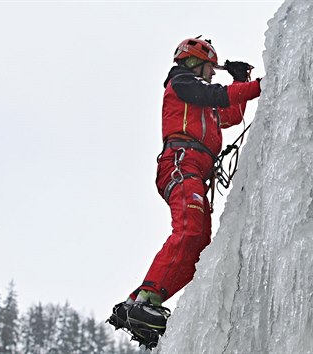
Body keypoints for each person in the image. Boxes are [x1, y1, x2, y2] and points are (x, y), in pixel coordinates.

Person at [107, 37, 261, 348]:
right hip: (181, 162)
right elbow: (215, 95)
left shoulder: (201, 104)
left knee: (200, 241)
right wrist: (261, 85)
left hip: (193, 168)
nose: (212, 74)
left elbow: (230, 113)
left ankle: (140, 300)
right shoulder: (181, 83)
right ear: (197, 63)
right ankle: (146, 299)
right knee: (190, 229)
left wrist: (242, 82)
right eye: (210, 68)